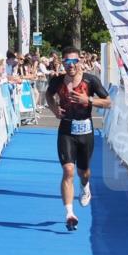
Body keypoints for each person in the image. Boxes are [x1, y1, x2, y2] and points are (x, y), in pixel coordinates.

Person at [45, 46, 111, 230]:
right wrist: (54, 109)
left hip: (85, 130)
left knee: (84, 173)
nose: (71, 65)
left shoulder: (91, 81)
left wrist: (88, 100)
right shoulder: (57, 81)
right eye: (67, 61)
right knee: (68, 171)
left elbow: (108, 102)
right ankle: (69, 213)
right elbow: (48, 95)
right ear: (62, 62)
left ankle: (85, 185)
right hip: (66, 130)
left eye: (74, 61)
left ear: (80, 62)